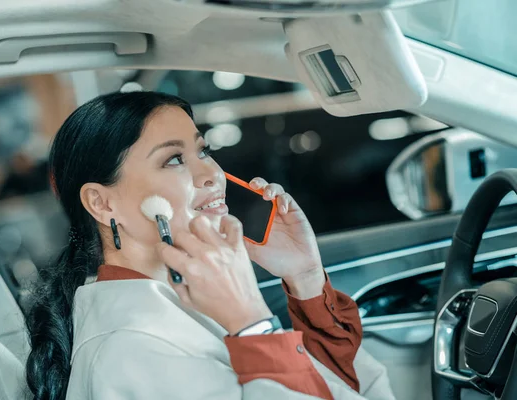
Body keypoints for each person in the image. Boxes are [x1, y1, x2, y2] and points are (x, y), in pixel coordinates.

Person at [25, 91, 395, 400]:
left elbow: (327, 389)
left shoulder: (180, 302)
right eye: (174, 160)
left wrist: (306, 276)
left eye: (203, 151)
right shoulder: (134, 351)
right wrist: (251, 324)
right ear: (102, 204)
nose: (212, 174)